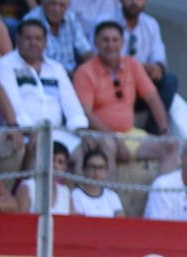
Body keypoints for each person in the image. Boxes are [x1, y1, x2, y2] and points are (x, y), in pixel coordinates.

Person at [71, 17, 169, 169]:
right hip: (100, 135)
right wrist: (115, 138)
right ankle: (108, 193)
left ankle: (162, 192)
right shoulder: (85, 72)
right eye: (105, 40)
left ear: (122, 43)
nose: (111, 45)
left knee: (171, 146)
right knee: (109, 145)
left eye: (115, 40)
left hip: (129, 134)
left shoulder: (132, 64)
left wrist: (164, 131)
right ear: (96, 43)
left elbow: (153, 98)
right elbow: (87, 113)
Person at [0, 20, 85, 132]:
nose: (33, 43)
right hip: (21, 133)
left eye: (38, 39)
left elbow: (71, 103)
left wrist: (80, 128)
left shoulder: (56, 68)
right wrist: (28, 130)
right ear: (18, 39)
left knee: (92, 146)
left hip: (57, 133)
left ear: (45, 42)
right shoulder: (5, 65)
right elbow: (13, 103)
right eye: (28, 38)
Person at [119, 0, 175, 127]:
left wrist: (157, 68)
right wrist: (137, 68)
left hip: (140, 85)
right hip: (113, 83)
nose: (134, 2)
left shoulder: (151, 24)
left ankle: (154, 133)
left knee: (169, 81)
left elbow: (159, 58)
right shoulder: (106, 20)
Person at [24, 0, 91, 72]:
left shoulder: (70, 17)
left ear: (68, 6)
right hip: (44, 75)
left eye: (62, 5)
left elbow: (85, 51)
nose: (57, 9)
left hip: (71, 75)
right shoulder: (31, 21)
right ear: (42, 2)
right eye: (52, 4)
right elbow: (36, 61)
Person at [68, 148, 121, 217]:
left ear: (106, 170)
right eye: (92, 167)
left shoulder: (112, 196)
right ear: (84, 169)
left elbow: (121, 222)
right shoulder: (76, 195)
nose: (96, 172)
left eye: (101, 167)